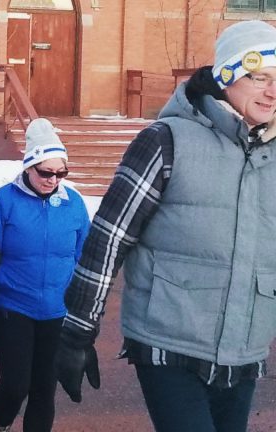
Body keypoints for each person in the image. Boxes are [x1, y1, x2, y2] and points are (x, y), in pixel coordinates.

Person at [54, 20, 276, 432]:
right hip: (169, 342)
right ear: (227, 74)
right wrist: (77, 332)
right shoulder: (166, 140)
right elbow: (109, 236)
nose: (272, 91)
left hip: (244, 350)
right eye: (259, 77)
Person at [0, 118, 90, 432]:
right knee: (17, 384)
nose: (53, 180)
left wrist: (85, 314)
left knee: (44, 387)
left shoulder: (73, 203)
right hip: (12, 307)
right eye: (46, 172)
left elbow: (83, 256)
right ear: (28, 167)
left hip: (57, 310)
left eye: (61, 173)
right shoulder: (2, 201)